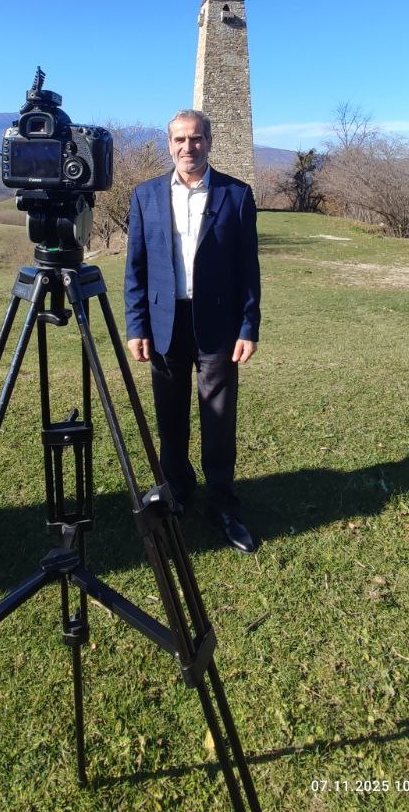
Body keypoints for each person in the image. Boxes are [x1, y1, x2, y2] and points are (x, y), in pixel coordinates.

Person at [124, 109, 260, 552]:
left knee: (219, 419)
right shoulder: (145, 196)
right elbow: (136, 269)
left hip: (218, 325)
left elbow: (248, 269)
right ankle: (177, 491)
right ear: (169, 145)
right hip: (165, 325)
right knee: (170, 416)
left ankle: (222, 504)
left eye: (197, 138)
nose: (188, 147)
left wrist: (248, 325)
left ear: (209, 142)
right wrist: (137, 325)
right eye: (180, 139)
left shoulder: (236, 196)